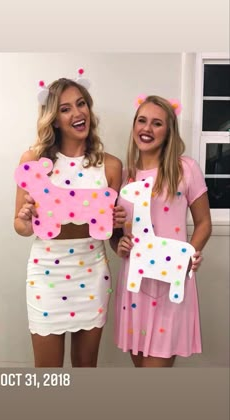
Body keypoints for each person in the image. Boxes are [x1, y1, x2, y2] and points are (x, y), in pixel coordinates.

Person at [14, 77, 125, 368]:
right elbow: (21, 227)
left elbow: (113, 233)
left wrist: (119, 225)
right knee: (47, 373)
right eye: (66, 109)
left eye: (81, 104)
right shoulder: (34, 161)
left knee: (85, 370)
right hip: (46, 274)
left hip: (91, 272)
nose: (78, 113)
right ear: (54, 119)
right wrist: (25, 217)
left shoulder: (111, 165)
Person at [110, 95, 212, 368]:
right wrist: (118, 243)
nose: (147, 129)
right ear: (134, 126)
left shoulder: (185, 169)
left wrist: (192, 252)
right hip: (135, 285)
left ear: (168, 132)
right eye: (142, 121)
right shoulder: (124, 176)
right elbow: (115, 232)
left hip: (171, 284)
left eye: (157, 123)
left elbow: (203, 223)